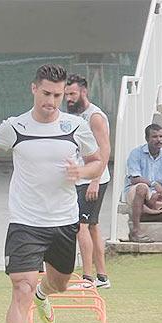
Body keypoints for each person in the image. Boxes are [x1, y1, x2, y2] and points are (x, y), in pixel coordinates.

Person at [0, 64, 101, 323]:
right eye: (46, 94)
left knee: (58, 283)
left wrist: (82, 173)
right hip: (25, 221)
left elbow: (98, 160)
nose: (52, 101)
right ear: (33, 89)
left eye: (58, 95)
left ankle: (46, 294)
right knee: (21, 287)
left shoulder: (75, 126)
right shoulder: (16, 127)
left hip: (63, 221)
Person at [65, 74, 111, 288]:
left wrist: (95, 179)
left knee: (80, 226)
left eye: (72, 94)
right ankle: (102, 277)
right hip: (81, 178)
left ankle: (87, 278)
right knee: (92, 226)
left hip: (94, 180)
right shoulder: (75, 116)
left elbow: (105, 150)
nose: (69, 98)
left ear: (84, 92)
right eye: (66, 95)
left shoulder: (95, 117)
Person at [123, 123, 162, 242]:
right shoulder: (136, 153)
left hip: (158, 196)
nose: (159, 140)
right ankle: (136, 232)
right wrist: (154, 185)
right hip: (137, 193)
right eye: (154, 137)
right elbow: (134, 178)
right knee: (142, 188)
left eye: (161, 136)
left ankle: (145, 216)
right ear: (147, 138)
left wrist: (157, 195)